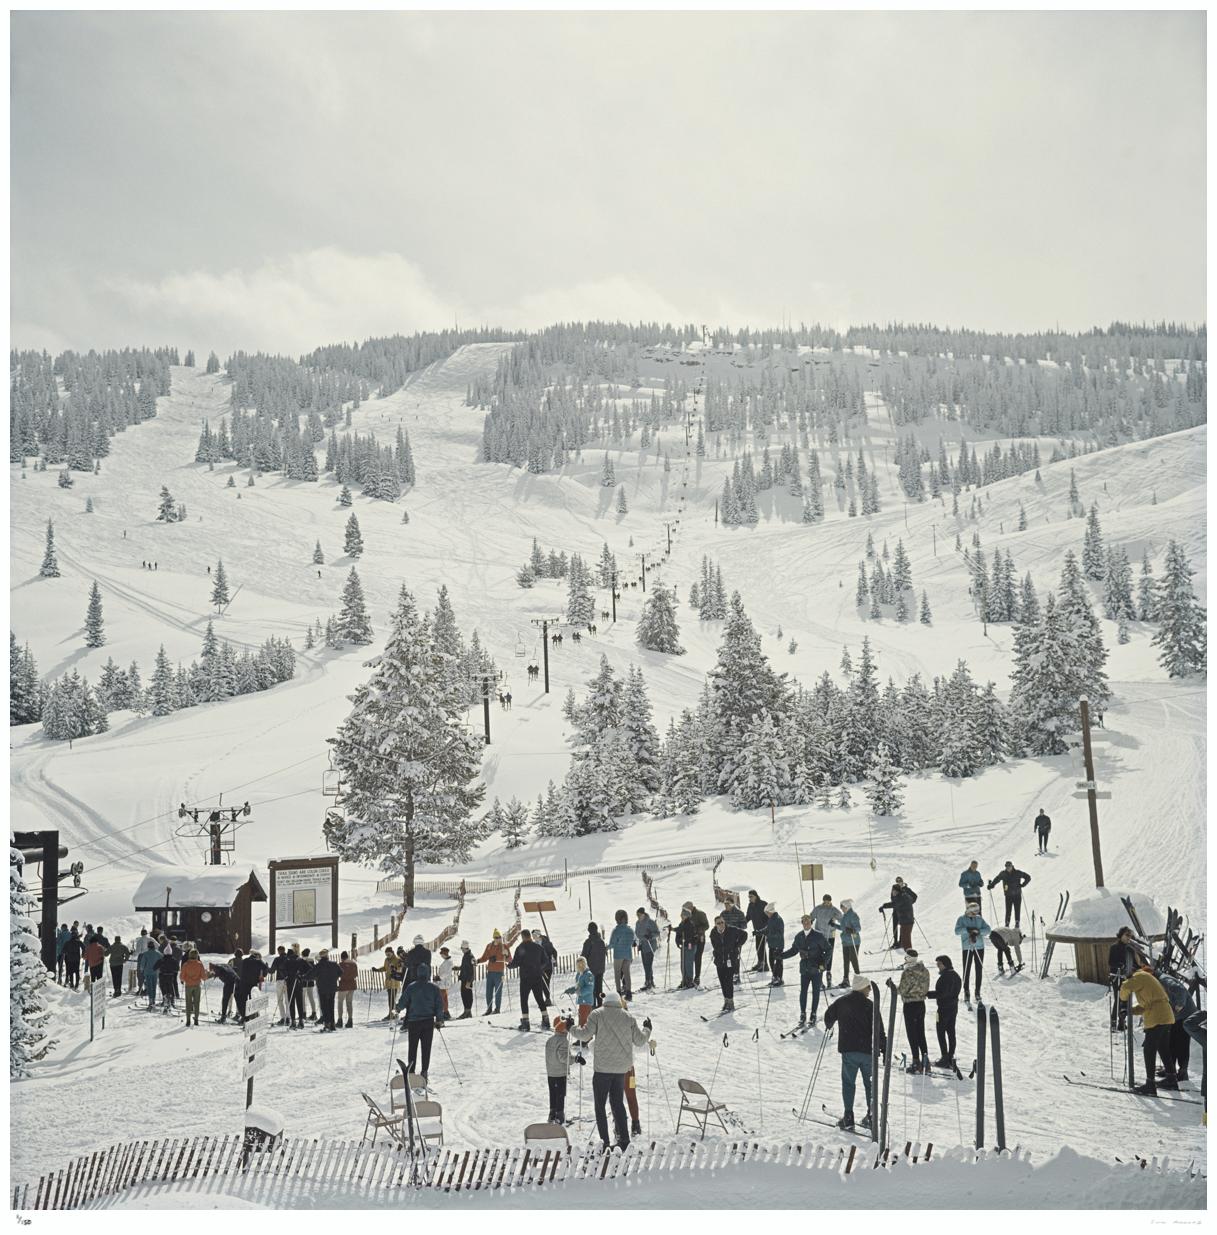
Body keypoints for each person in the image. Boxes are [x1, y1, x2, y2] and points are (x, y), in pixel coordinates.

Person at [569, 994, 652, 1151]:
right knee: (618, 1104)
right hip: (621, 1070)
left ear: (605, 1002)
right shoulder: (628, 1017)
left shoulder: (597, 1014)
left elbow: (584, 1036)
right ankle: (624, 1140)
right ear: (618, 1003)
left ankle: (604, 1142)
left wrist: (570, 1027)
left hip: (603, 1070)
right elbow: (640, 1041)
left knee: (600, 1106)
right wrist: (647, 1029)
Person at [823, 974, 885, 1132]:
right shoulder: (870, 1005)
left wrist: (829, 1023)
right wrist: (883, 1048)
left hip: (849, 1050)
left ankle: (848, 1117)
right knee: (870, 1084)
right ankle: (871, 1116)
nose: (870, 990)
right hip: (868, 1051)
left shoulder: (842, 1002)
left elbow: (828, 1016)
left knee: (848, 1083)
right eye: (868, 987)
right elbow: (879, 1029)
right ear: (862, 987)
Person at [1119, 966, 1177, 1096]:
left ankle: (1150, 1084)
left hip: (1157, 1017)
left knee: (1149, 1049)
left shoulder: (1139, 976)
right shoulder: (1147, 979)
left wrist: (1122, 1001)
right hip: (1165, 1014)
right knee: (1163, 1047)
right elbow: (1145, 1006)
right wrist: (1129, 1011)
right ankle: (1171, 1078)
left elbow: (1125, 988)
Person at [398, 964, 445, 1081]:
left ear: (417, 974)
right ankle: (424, 1071)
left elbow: (403, 1001)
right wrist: (439, 1019)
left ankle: (411, 1071)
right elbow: (439, 1005)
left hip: (414, 1022)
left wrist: (397, 1008)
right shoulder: (434, 988)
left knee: (412, 1047)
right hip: (428, 1022)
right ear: (428, 973)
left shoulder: (411, 987)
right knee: (426, 1048)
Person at [782, 913, 830, 1026]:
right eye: (804, 922)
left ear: (811, 923)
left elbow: (828, 949)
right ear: (802, 923)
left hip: (816, 969)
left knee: (815, 992)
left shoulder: (818, 936)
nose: (806, 924)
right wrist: (781, 956)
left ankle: (813, 1014)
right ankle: (802, 1014)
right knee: (803, 992)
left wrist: (823, 964)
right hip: (805, 969)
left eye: (808, 922)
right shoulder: (799, 936)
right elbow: (793, 950)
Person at [1156, 968, 1196, 1083]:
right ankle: (1171, 1070)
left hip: (1185, 1015)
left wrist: (1178, 1006)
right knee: (1171, 1042)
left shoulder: (1164, 980)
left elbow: (1180, 990)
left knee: (1182, 1044)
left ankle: (1183, 1072)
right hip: (1176, 1017)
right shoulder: (1160, 980)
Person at [509, 928, 551, 1030]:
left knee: (524, 999)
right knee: (539, 998)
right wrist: (540, 968)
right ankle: (546, 1019)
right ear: (530, 936)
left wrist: (509, 965)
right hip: (537, 977)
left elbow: (515, 963)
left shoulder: (521, 948)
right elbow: (546, 961)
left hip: (525, 978)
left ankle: (526, 1022)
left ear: (523, 937)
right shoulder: (538, 947)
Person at [897, 951, 931, 1072]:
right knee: (920, 1033)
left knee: (912, 1034)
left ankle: (916, 1061)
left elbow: (902, 990)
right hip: (921, 1004)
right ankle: (926, 1061)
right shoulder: (925, 970)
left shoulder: (908, 972)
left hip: (910, 1004)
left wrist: (893, 987)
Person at [1109, 927, 1147, 1033]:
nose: (1128, 937)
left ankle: (1122, 1023)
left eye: (1130, 936)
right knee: (1118, 999)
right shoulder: (1114, 947)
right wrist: (1121, 966)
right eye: (1126, 935)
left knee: (1125, 1000)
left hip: (1127, 977)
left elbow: (1135, 962)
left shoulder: (1130, 948)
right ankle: (1113, 1023)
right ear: (1121, 935)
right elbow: (1111, 962)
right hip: (1117, 977)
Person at [926, 955, 962, 1068]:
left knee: (941, 1032)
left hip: (943, 1009)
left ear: (945, 964)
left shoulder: (945, 977)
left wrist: (927, 994)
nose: (938, 967)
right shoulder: (956, 976)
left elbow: (941, 993)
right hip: (953, 1007)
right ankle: (950, 1056)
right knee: (951, 1032)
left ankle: (945, 1057)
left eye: (939, 964)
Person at [545, 1015, 579, 1124]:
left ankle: (552, 1115)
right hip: (560, 1074)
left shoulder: (550, 1040)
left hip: (551, 1073)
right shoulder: (563, 1041)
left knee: (553, 1094)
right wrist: (575, 1059)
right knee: (560, 1095)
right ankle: (560, 1116)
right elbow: (564, 1058)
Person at [955, 902, 991, 1002]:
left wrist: (979, 931)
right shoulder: (961, 919)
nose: (976, 914)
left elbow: (988, 929)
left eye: (977, 912)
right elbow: (957, 931)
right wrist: (967, 930)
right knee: (966, 969)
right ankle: (966, 991)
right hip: (967, 947)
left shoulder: (979, 919)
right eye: (974, 912)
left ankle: (977, 991)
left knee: (979, 969)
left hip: (979, 946)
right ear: (969, 911)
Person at [709, 915, 743, 1013]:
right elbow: (714, 944)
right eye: (718, 923)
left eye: (722, 922)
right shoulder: (713, 932)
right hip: (719, 961)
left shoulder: (731, 930)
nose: (721, 925)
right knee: (722, 982)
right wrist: (716, 953)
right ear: (715, 925)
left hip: (730, 960)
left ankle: (730, 1002)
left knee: (728, 981)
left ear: (724, 922)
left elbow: (744, 934)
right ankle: (726, 1001)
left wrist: (737, 945)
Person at [987, 861, 1031, 928]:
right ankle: (1007, 924)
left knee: (1017, 909)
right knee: (1008, 910)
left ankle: (1017, 923)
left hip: (1017, 894)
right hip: (1008, 895)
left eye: (1009, 866)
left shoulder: (1017, 872)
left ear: (1012, 866)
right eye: (1006, 866)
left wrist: (1023, 885)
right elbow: (997, 879)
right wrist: (991, 885)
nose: (1008, 867)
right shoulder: (1003, 873)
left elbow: (1028, 877)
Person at [478, 929, 511, 1015]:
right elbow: (484, 957)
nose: (498, 939)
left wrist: (506, 954)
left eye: (499, 937)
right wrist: (478, 961)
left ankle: (497, 1009)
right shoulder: (489, 946)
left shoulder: (504, 946)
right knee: (488, 992)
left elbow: (509, 959)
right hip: (490, 972)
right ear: (493, 938)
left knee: (498, 991)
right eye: (496, 937)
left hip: (499, 972)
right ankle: (489, 1009)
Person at [810, 895, 842, 984]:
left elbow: (842, 919)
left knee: (829, 955)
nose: (827, 903)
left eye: (828, 902)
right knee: (819, 955)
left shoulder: (834, 910)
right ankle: (819, 974)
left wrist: (835, 921)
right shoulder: (818, 909)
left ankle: (828, 972)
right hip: (819, 935)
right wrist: (810, 920)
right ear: (823, 901)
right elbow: (811, 917)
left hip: (830, 935)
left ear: (831, 901)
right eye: (825, 901)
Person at [880, 878, 918, 951]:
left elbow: (914, 897)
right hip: (899, 913)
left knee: (905, 937)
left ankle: (904, 947)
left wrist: (907, 905)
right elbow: (894, 900)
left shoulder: (904, 893)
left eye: (900, 881)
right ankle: (897, 943)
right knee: (897, 929)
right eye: (897, 881)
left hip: (906, 918)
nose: (899, 883)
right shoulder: (898, 892)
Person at [312, 948, 341, 1031]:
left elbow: (311, 974)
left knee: (324, 1006)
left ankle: (327, 1023)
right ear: (327, 956)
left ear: (321, 956)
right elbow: (341, 972)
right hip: (332, 988)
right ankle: (332, 1024)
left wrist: (302, 977)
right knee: (331, 1006)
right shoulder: (334, 964)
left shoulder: (319, 965)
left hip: (322, 988)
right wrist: (334, 978)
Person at [721, 895, 748, 984]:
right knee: (727, 957)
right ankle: (730, 974)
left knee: (735, 957)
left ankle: (736, 975)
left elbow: (744, 925)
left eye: (728, 904)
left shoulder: (739, 913)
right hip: (726, 939)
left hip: (737, 938)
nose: (726, 905)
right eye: (725, 904)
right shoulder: (723, 914)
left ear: (732, 904)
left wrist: (735, 927)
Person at [609, 910, 635, 1000]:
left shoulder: (616, 931)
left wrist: (606, 948)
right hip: (628, 954)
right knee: (627, 973)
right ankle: (629, 993)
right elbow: (633, 942)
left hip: (618, 955)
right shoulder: (630, 930)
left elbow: (612, 944)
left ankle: (618, 993)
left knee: (617, 973)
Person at [180, 949, 210, 1027]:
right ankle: (196, 1020)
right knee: (197, 1003)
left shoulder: (185, 965)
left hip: (188, 986)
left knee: (188, 1003)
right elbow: (204, 977)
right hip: (197, 985)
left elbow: (181, 977)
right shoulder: (200, 964)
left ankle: (188, 1020)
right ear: (197, 955)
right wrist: (207, 974)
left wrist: (186, 979)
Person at [580, 923, 607, 1005]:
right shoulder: (601, 941)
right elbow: (604, 954)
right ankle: (600, 1003)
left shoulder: (588, 942)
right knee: (599, 988)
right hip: (600, 968)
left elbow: (584, 956)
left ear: (589, 930)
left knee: (592, 988)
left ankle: (593, 1004)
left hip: (591, 969)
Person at [683, 902, 710, 985]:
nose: (684, 910)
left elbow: (706, 925)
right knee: (689, 958)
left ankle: (697, 977)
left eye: (686, 908)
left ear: (691, 907)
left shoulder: (700, 914)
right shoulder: (686, 914)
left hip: (699, 939)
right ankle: (688, 978)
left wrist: (696, 929)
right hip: (690, 940)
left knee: (697, 957)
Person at [236, 949, 267, 1022]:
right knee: (252, 1000)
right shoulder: (258, 961)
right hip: (253, 984)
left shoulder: (244, 961)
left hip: (243, 983)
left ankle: (245, 1018)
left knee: (244, 1001)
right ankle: (253, 1017)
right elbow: (265, 968)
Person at [374, 946, 404, 1020]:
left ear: (392, 953)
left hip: (394, 982)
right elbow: (385, 968)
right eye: (386, 954)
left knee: (392, 1000)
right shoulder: (386, 960)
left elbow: (400, 969)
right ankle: (393, 1014)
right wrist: (377, 970)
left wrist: (395, 969)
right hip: (388, 983)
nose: (387, 955)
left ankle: (392, 1014)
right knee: (390, 1000)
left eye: (389, 954)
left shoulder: (397, 960)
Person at [565, 956, 596, 1026]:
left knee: (583, 1021)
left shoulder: (588, 974)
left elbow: (590, 988)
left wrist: (581, 992)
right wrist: (571, 990)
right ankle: (583, 1031)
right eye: (578, 965)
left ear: (585, 964)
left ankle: (584, 1032)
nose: (580, 966)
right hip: (581, 1001)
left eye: (582, 964)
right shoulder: (579, 974)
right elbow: (577, 986)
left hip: (586, 1001)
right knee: (582, 1019)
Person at [634, 908, 660, 991]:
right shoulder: (637, 923)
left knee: (648, 964)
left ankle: (648, 982)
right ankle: (650, 981)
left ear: (643, 914)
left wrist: (650, 936)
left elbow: (657, 933)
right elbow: (637, 934)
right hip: (643, 945)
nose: (638, 917)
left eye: (639, 915)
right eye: (637, 915)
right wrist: (636, 941)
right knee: (645, 964)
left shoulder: (650, 922)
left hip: (650, 945)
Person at [838, 900, 862, 987]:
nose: (842, 909)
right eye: (841, 908)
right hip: (845, 941)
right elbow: (843, 928)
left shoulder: (853, 915)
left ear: (847, 906)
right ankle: (846, 979)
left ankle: (858, 978)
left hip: (853, 941)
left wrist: (852, 930)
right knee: (846, 961)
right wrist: (833, 925)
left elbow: (858, 928)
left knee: (853, 959)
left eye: (843, 907)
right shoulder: (845, 916)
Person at [745, 890, 769, 972]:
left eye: (751, 896)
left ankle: (765, 965)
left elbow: (769, 916)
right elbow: (748, 916)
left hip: (764, 930)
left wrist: (766, 927)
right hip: (757, 930)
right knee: (758, 947)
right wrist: (743, 923)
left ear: (756, 896)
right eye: (749, 897)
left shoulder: (763, 904)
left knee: (762, 947)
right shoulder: (750, 905)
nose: (750, 898)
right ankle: (760, 962)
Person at [674, 909, 698, 989]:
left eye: (683, 915)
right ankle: (684, 980)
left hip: (690, 945)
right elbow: (678, 934)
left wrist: (674, 929)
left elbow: (683, 930)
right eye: (681, 915)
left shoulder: (690, 924)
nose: (682, 916)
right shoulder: (682, 923)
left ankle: (689, 980)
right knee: (683, 963)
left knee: (688, 963)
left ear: (687, 916)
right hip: (684, 946)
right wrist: (678, 941)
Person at [270, 945, 292, 1025]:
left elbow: (272, 970)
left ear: (279, 951)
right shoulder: (289, 958)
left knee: (280, 1000)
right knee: (287, 1000)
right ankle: (288, 1017)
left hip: (280, 980)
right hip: (288, 981)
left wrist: (266, 968)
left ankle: (283, 1018)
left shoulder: (277, 959)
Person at [764, 904, 785, 986]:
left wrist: (769, 935)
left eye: (767, 912)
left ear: (771, 911)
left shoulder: (778, 920)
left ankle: (779, 978)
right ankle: (775, 977)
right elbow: (767, 929)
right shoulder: (771, 919)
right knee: (771, 961)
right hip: (772, 945)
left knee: (778, 962)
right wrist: (759, 932)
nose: (766, 914)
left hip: (778, 945)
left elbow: (779, 933)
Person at [337, 951, 358, 1028]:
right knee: (349, 1003)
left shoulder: (340, 965)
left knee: (340, 1002)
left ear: (341, 958)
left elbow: (338, 975)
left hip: (343, 985)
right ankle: (350, 1020)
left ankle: (340, 1020)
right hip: (352, 985)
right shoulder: (354, 964)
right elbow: (356, 974)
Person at [157, 944, 181, 1011]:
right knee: (170, 988)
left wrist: (160, 968)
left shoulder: (162, 960)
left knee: (163, 989)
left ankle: (165, 1001)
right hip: (170, 976)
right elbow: (177, 968)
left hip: (162, 976)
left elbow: (155, 967)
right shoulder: (174, 960)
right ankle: (172, 1002)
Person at [138, 941, 162, 1009]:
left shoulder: (146, 954)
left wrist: (141, 970)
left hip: (147, 972)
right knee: (154, 986)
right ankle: (153, 1000)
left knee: (149, 987)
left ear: (148, 947)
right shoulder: (158, 953)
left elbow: (142, 963)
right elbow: (162, 960)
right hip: (155, 972)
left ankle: (150, 1001)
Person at [456, 941, 475, 1019]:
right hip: (464, 979)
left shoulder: (470, 956)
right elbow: (464, 967)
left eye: (462, 948)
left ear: (465, 948)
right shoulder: (465, 955)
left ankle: (468, 1011)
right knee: (464, 995)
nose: (461, 949)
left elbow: (472, 970)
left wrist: (469, 981)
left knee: (468, 995)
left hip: (468, 980)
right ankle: (466, 1011)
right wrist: (458, 968)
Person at [299, 948, 317, 1022]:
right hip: (311, 981)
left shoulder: (301, 961)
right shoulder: (311, 961)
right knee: (311, 997)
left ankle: (303, 1013)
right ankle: (314, 1012)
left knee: (302, 998)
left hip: (303, 981)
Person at [435, 946, 454, 1020]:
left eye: (442, 954)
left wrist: (439, 977)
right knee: (444, 998)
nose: (441, 955)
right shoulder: (447, 961)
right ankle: (445, 1012)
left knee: (442, 998)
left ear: (445, 954)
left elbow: (447, 972)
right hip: (443, 982)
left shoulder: (449, 962)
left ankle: (445, 1013)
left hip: (444, 982)